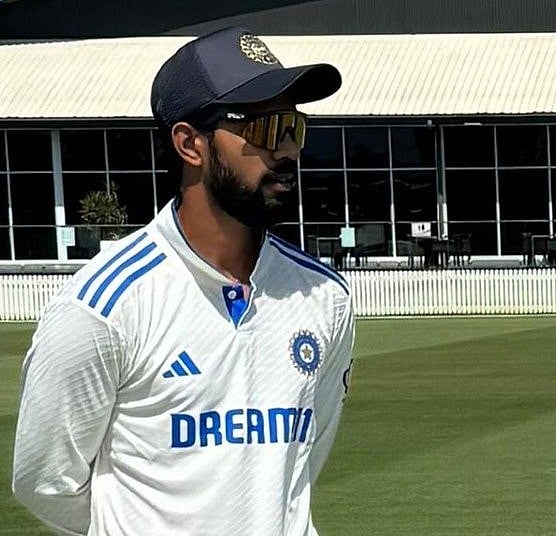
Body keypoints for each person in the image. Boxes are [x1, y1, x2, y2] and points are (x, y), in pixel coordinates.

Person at [12, 26, 355, 536]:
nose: (286, 150)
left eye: (293, 127)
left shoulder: (325, 298)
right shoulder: (104, 305)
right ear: (190, 144)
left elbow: (299, 464)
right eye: (263, 128)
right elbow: (44, 481)